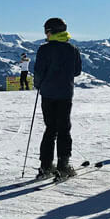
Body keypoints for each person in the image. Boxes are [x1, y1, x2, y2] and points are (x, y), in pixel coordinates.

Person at [32, 18, 83, 180]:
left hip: (47, 94)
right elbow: (77, 71)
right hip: (65, 94)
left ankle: (45, 166)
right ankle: (63, 165)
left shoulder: (44, 49)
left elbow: (39, 71)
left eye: (46, 31)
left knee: (50, 129)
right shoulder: (72, 49)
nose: (45, 34)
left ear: (51, 31)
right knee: (63, 129)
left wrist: (39, 84)